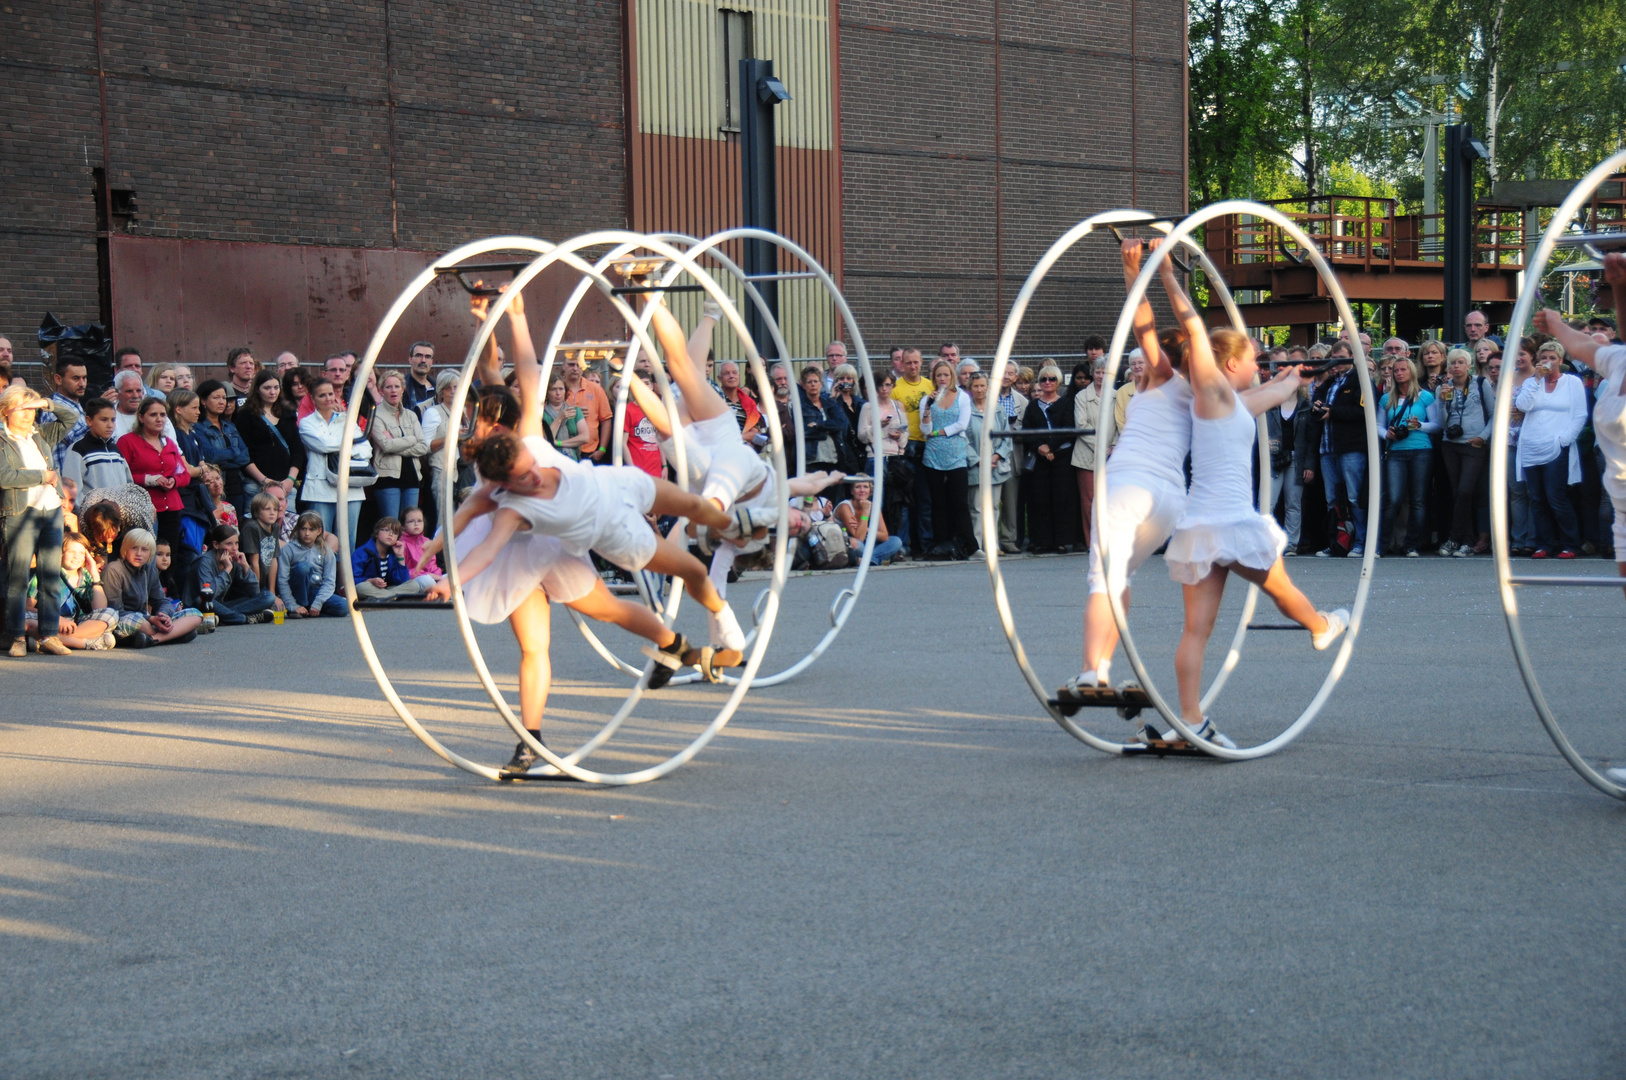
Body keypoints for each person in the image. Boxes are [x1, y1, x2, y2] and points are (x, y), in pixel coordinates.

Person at [1160, 278, 1348, 745]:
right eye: (1254, 361)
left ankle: (1188, 717)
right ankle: (1320, 627)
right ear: (1228, 364)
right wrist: (1166, 273)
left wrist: (1295, 379)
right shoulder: (1213, 394)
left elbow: (1275, 393)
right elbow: (1194, 329)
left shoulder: (1233, 404)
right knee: (1282, 592)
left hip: (1202, 528)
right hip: (1229, 523)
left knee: (1196, 631)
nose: (1260, 367)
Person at [1062, 241, 1193, 708]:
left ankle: (1093, 671)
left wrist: (1134, 268)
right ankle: (1102, 665)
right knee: (1121, 577)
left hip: (1128, 487)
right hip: (1169, 501)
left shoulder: (1164, 378)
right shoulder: (1205, 390)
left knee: (1103, 576)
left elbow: (1143, 325)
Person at [0, 385, 74, 656]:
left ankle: (49, 636)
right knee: (17, 578)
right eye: (22, 409)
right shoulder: (1, 439)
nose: (28, 414)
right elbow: (4, 477)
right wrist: (44, 476)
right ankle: (17, 637)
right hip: (20, 513)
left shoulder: (40, 434)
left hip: (51, 509)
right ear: (7, 411)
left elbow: (72, 419)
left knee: (50, 576)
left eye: (32, 409)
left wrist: (45, 402)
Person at [1515, 339, 1588, 559]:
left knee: (1556, 496)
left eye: (1552, 358)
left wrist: (1565, 439)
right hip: (1531, 445)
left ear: (1560, 360)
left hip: (1556, 445)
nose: (1547, 362)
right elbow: (1522, 406)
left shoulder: (1572, 382)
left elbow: (1580, 414)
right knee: (1536, 498)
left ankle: (1570, 543)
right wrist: (1536, 379)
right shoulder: (1531, 382)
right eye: (1543, 358)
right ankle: (1543, 543)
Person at [1311, 341, 1370, 557]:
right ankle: (1336, 542)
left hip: (1351, 448)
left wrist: (1332, 412)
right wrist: (1317, 405)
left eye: (1340, 357)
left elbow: (1363, 411)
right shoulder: (1330, 382)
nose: (1336, 362)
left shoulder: (1360, 379)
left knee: (1354, 498)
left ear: (1352, 356)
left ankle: (1361, 543)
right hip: (1327, 448)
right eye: (1333, 357)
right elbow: (1317, 398)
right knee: (1332, 500)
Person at [298, 376, 370, 551]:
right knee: (320, 537)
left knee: (348, 539)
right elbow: (322, 445)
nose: (328, 398)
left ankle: (345, 578)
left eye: (331, 394)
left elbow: (366, 450)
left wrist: (344, 446)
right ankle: (323, 577)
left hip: (350, 487)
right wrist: (351, 443)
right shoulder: (306, 423)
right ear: (313, 399)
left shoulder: (347, 420)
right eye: (322, 395)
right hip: (320, 488)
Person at [100, 528, 203, 647]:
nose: (138, 553)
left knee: (196, 614)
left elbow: (161, 600)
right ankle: (174, 635)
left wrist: (163, 616)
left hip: (150, 621)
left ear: (150, 553)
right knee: (141, 623)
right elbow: (115, 610)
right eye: (134, 548)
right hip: (125, 620)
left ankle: (152, 639)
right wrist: (150, 619)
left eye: (144, 549)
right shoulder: (114, 570)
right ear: (125, 549)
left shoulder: (150, 569)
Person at [1378, 357, 1439, 557]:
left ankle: (1411, 544)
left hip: (1421, 449)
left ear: (1411, 372)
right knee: (1393, 499)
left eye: (1403, 369)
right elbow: (1378, 425)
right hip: (1395, 450)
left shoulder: (1425, 397)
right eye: (1396, 370)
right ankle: (1382, 544)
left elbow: (1437, 425)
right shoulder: (1386, 398)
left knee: (1418, 500)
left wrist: (1420, 425)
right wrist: (1386, 433)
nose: (1399, 373)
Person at [116, 396, 190, 560]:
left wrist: (174, 480)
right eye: (153, 414)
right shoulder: (127, 442)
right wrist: (148, 479)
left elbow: (184, 475)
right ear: (141, 418)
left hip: (172, 507)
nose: (159, 419)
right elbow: (121, 477)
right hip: (144, 509)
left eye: (163, 415)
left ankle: (167, 586)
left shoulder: (169, 443)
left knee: (170, 556)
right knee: (147, 556)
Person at [1437, 347, 1494, 556]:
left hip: (1473, 444)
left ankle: (1455, 538)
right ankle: (1466, 541)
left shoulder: (1480, 383)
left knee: (1465, 491)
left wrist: (1483, 437)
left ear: (1469, 366)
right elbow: (1442, 423)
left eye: (1461, 362)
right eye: (1453, 363)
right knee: (1457, 493)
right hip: (1450, 444)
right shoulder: (1444, 387)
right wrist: (1442, 402)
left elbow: (1495, 413)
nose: (1456, 366)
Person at [916, 357, 974, 558]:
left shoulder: (963, 397)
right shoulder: (927, 399)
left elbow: (962, 425)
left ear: (952, 377)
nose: (942, 378)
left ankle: (969, 544)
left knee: (959, 502)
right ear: (933, 378)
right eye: (938, 375)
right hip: (933, 456)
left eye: (946, 375)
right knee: (937, 503)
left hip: (956, 454)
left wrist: (939, 432)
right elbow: (925, 429)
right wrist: (928, 409)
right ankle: (941, 544)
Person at [1020, 362, 1077, 553]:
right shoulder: (1032, 406)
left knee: (1061, 500)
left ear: (1058, 381)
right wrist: (1041, 447)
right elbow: (1028, 431)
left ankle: (1060, 541)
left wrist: (1051, 448)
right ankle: (1041, 541)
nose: (1047, 382)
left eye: (1052, 379)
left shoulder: (1066, 403)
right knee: (1040, 500)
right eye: (1043, 379)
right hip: (1040, 461)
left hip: (1061, 459)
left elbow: (1068, 429)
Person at [25, 531, 116, 650]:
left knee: (110, 614)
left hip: (77, 623)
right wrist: (57, 618)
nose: (77, 557)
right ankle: (85, 642)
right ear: (61, 553)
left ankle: (54, 640)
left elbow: (100, 608)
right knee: (24, 618)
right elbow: (27, 606)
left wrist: (95, 575)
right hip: (51, 620)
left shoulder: (86, 575)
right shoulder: (46, 574)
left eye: (81, 553)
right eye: (72, 552)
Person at [236, 370, 305, 507]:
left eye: (276, 387)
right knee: (256, 525)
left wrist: (291, 479)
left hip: (285, 484)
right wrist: (264, 480)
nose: (272, 392)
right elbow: (243, 453)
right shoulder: (245, 415)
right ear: (257, 390)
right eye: (267, 388)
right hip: (257, 484)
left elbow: (297, 449)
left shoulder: (288, 413)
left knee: (287, 525)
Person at [369, 370, 429, 522]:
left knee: (410, 525)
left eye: (397, 386)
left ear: (403, 389)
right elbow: (386, 446)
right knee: (391, 526)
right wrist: (411, 438)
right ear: (381, 391)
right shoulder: (375, 415)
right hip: (387, 478)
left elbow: (423, 447)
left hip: (412, 477)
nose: (393, 390)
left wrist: (397, 443)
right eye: (388, 387)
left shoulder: (411, 415)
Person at [891, 348, 935, 554]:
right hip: (905, 447)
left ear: (921, 362)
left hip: (928, 444)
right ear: (901, 364)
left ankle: (925, 546)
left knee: (925, 500)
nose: (912, 366)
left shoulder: (929, 385)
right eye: (908, 363)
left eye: (916, 362)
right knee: (905, 500)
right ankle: (903, 547)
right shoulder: (895, 388)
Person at [192, 379, 252, 520]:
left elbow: (245, 456)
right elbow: (210, 457)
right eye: (216, 397)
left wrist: (225, 458)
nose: (222, 402)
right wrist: (234, 452)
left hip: (236, 485)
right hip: (214, 486)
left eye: (224, 398)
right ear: (204, 401)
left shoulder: (230, 426)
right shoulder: (198, 428)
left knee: (235, 525)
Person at [966, 370, 1012, 553]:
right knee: (977, 507)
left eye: (982, 385)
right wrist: (978, 460)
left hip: (995, 466)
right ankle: (976, 546)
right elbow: (963, 439)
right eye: (975, 386)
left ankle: (992, 545)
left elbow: (1007, 437)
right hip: (976, 467)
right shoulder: (965, 410)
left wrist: (997, 456)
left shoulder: (998, 409)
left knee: (993, 507)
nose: (979, 389)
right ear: (970, 388)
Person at [197, 523, 276, 624]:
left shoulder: (235, 560)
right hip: (204, 606)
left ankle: (223, 618)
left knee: (268, 597)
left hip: (224, 606)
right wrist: (227, 570)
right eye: (229, 544)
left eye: (236, 543)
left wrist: (246, 566)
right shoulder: (205, 562)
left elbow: (254, 592)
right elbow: (208, 594)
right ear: (216, 545)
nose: (234, 548)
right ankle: (244, 618)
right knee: (202, 600)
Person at [277, 512, 350, 618]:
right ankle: (299, 607)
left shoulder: (326, 550)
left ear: (319, 531)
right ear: (298, 529)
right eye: (303, 529)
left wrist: (318, 603)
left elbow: (329, 580)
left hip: (316, 590)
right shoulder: (288, 549)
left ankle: (310, 612)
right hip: (297, 590)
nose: (307, 533)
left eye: (311, 530)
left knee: (343, 607)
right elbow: (282, 580)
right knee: (303, 568)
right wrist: (292, 604)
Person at [349, 516, 436, 601]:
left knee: (414, 585)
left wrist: (400, 556)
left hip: (387, 589)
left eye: (395, 533)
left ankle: (383, 599)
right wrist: (371, 580)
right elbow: (353, 579)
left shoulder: (393, 552)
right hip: (368, 586)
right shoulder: (362, 552)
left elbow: (402, 581)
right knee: (361, 587)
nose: (390, 534)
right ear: (376, 533)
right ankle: (393, 599)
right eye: (386, 530)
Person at [61, 398, 132, 502]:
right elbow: (71, 490)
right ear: (89, 421)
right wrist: (87, 512)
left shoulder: (115, 450)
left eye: (113, 420)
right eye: (104, 419)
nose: (110, 425)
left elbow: (129, 484)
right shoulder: (78, 449)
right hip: (94, 515)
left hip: (121, 514)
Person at [1070, 361, 1106, 551]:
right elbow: (1081, 426)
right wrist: (1100, 447)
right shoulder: (1082, 396)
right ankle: (1093, 541)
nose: (1101, 376)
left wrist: (1114, 445)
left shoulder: (1117, 395)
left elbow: (1121, 422)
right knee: (1090, 501)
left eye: (1105, 372)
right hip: (1086, 455)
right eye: (1098, 372)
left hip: (1113, 454)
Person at [834, 476, 901, 565]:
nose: (862, 490)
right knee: (857, 545)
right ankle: (876, 561)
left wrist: (867, 529)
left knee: (896, 541)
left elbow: (884, 536)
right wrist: (865, 512)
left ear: (870, 491)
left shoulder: (873, 506)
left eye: (866, 487)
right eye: (858, 487)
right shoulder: (845, 507)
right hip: (847, 545)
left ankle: (863, 561)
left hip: (866, 544)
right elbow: (859, 538)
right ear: (852, 491)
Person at [797, 364, 845, 474]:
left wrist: (818, 425)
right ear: (804, 385)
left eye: (816, 381)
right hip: (812, 460)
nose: (813, 384)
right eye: (809, 382)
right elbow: (802, 431)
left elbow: (839, 424)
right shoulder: (799, 406)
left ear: (821, 384)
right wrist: (826, 430)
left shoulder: (830, 403)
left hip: (834, 458)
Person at [45, 355, 90, 470]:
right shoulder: (52, 407)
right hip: (64, 481)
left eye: (84, 378)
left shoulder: (77, 405)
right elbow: (76, 442)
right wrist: (98, 417)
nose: (82, 384)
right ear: (58, 379)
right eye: (76, 378)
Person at [239, 491, 285, 596]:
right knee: (265, 599)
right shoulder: (252, 528)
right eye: (267, 509)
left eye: (275, 509)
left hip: (264, 580)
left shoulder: (275, 527)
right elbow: (254, 563)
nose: (272, 512)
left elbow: (273, 560)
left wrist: (272, 591)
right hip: (249, 582)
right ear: (256, 512)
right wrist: (257, 593)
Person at [543, 372, 591, 461]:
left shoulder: (575, 411)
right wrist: (560, 418)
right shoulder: (541, 414)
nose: (558, 393)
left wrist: (559, 443)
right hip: (550, 459)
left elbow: (585, 437)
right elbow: (546, 440)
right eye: (553, 389)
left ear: (566, 391)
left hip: (572, 459)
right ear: (547, 392)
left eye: (561, 389)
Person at [828, 362, 865, 475]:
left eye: (849, 378)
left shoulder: (859, 402)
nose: (845, 381)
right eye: (842, 378)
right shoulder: (831, 400)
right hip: (843, 447)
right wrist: (832, 397)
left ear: (853, 381)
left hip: (860, 447)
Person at [397, 506, 442, 579]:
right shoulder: (401, 544)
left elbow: (432, 565)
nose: (416, 524)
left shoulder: (427, 541)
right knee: (427, 580)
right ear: (402, 527)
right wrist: (428, 575)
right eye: (411, 521)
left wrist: (438, 576)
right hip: (413, 580)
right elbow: (403, 572)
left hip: (430, 577)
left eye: (419, 521)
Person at [404, 341, 438, 413]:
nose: (423, 360)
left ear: (432, 361)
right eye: (419, 355)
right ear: (410, 359)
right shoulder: (402, 387)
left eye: (428, 357)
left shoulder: (438, 388)